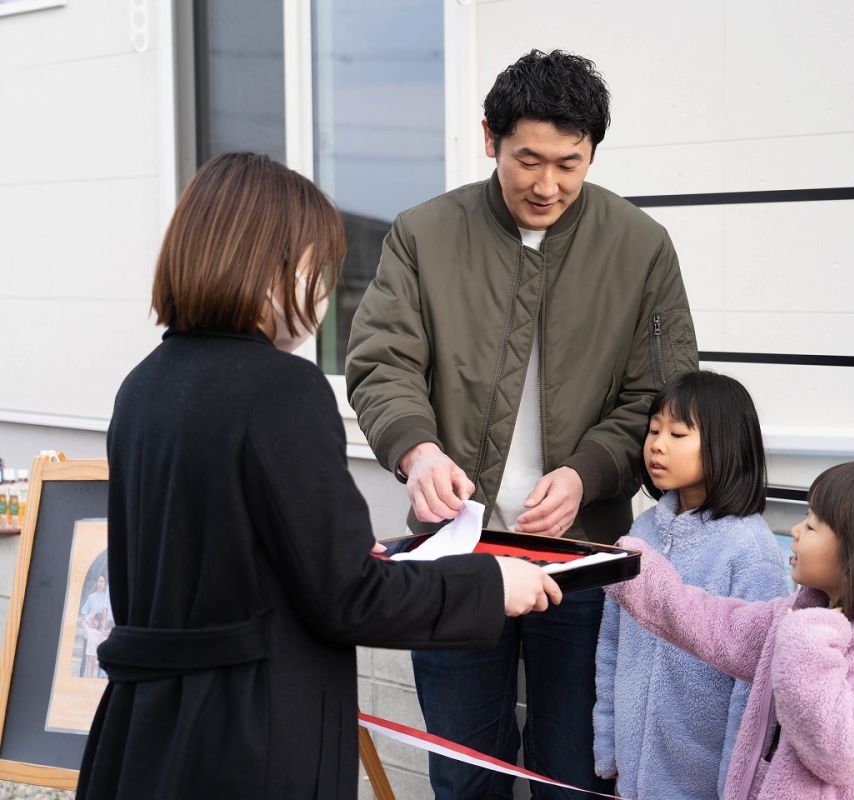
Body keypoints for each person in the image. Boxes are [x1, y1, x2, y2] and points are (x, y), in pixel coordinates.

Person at [77, 152, 561, 800]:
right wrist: (489, 582)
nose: (325, 290)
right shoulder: (283, 389)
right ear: (269, 266)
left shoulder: (144, 388)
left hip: (145, 736)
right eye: (316, 266)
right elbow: (348, 598)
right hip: (248, 741)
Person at [346, 50, 697, 798]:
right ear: (489, 139)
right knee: (466, 772)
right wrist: (417, 449)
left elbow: (662, 395)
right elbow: (381, 364)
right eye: (527, 159)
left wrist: (588, 471)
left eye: (569, 163)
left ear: (593, 151)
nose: (547, 185)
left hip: (583, 559)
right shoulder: (423, 235)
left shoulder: (639, 247)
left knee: (577, 771)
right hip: (455, 555)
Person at [607, 461, 854, 799]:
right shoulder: (795, 617)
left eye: (812, 526)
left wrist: (809, 642)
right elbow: (712, 624)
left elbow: (842, 752)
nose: (796, 530)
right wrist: (635, 571)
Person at [592, 371, 787, 798]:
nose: (657, 444)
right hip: (632, 778)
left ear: (726, 445)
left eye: (678, 433)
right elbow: (611, 644)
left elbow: (757, 686)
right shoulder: (641, 531)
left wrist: (736, 783)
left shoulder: (749, 548)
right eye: (654, 429)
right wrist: (607, 742)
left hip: (702, 782)